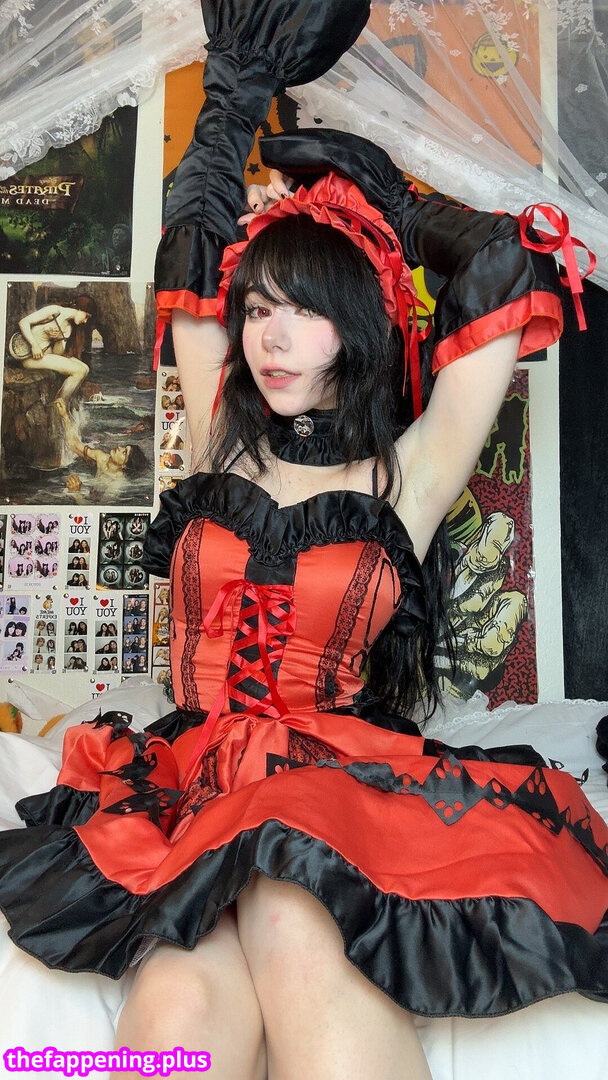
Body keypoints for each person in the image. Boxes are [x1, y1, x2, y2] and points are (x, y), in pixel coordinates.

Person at [0, 5, 606, 1080]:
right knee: (177, 994)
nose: (270, 338)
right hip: (187, 777)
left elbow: (506, 269)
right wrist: (232, 104)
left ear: (357, 327)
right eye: (258, 310)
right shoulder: (220, 442)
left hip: (331, 779)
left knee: (292, 921)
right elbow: (193, 247)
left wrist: (390, 203)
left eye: (303, 313)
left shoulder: (406, 476)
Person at [15, 296, 96, 405]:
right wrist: (34, 345)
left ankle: (62, 402)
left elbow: (58, 353)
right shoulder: (54, 311)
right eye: (86, 316)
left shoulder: (68, 328)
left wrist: (58, 339)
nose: (85, 321)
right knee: (79, 371)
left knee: (85, 368)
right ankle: (60, 403)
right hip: (29, 357)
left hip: (44, 356)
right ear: (80, 308)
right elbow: (23, 322)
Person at [53, 398, 148, 482]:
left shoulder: (117, 483)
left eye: (124, 452)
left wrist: (76, 492)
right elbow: (74, 444)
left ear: (124, 466)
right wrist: (65, 416)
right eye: (124, 447)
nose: (119, 447)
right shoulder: (101, 457)